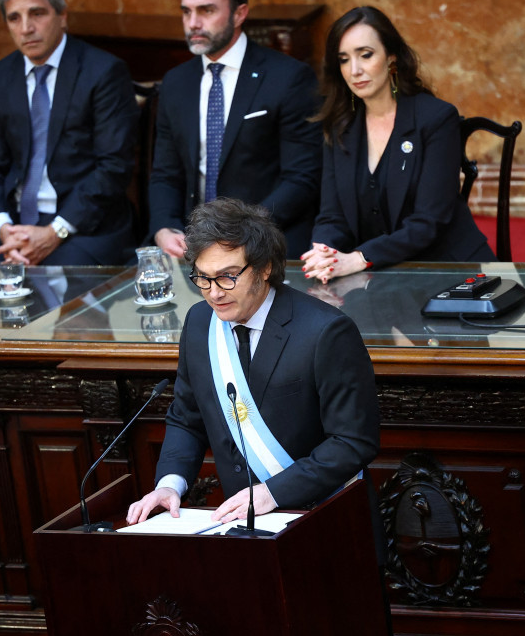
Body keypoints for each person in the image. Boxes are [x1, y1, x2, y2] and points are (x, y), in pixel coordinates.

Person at [127, 198, 379, 526]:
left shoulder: (326, 332)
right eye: (202, 278)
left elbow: (352, 441)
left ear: (264, 268)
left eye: (227, 276)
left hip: (326, 521)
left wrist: (273, 492)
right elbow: (187, 418)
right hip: (244, 529)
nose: (214, 292)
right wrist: (170, 483)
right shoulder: (200, 322)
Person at [301, 6, 493, 283]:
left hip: (447, 271)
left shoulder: (436, 118)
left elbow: (428, 222)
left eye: (366, 55)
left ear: (391, 57)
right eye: (344, 60)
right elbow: (332, 215)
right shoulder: (340, 125)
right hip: (378, 278)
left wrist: (359, 258)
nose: (355, 70)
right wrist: (325, 252)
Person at [147, 0, 323, 260]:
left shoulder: (288, 78)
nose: (193, 23)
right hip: (193, 247)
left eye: (206, 10)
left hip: (266, 240)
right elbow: (165, 173)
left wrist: (243, 233)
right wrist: (165, 227)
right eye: (186, 12)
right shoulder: (176, 83)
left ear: (240, 13)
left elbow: (302, 178)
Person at [0, 0, 140, 267]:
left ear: (62, 15)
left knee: (60, 296)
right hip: (14, 227)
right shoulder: (0, 77)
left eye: (37, 14)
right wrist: (5, 229)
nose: (26, 28)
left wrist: (53, 232)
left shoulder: (103, 72)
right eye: (14, 18)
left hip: (83, 227)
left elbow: (114, 167)